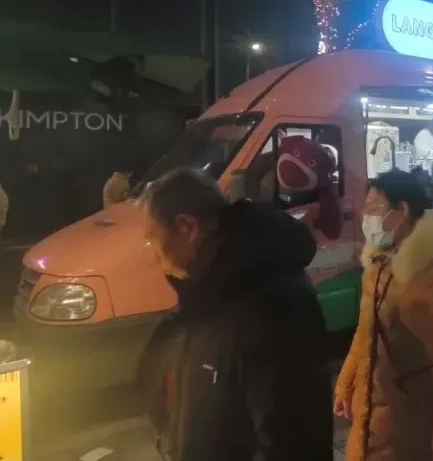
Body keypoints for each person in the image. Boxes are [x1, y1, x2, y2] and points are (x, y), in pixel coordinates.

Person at [142, 168, 333, 461]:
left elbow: (291, 444)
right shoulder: (206, 295)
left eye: (153, 239)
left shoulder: (273, 309)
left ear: (187, 227)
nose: (154, 255)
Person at [334, 169, 433, 461]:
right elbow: (366, 331)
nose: (366, 216)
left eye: (374, 208)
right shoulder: (378, 265)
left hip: (417, 420)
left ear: (401, 210)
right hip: (378, 417)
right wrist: (346, 383)